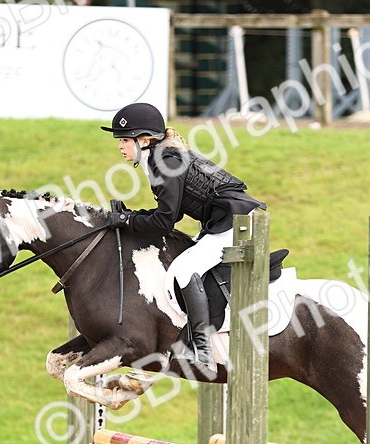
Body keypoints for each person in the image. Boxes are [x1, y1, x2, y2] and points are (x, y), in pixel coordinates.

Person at [101, 102, 266, 372]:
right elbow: (171, 214)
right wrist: (132, 216)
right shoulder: (160, 157)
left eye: (124, 140)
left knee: (185, 269)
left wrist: (128, 220)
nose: (120, 146)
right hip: (224, 220)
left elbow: (164, 222)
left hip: (237, 222)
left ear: (144, 140)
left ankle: (202, 351)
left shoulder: (165, 161)